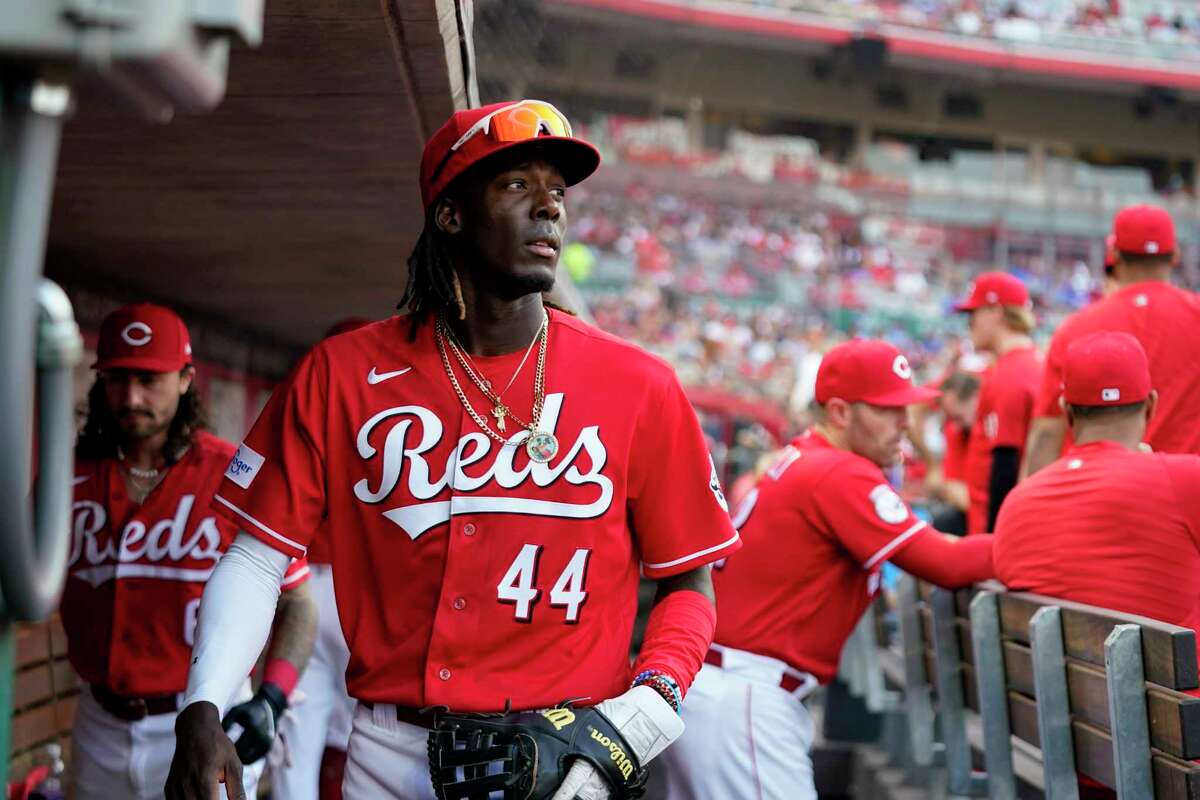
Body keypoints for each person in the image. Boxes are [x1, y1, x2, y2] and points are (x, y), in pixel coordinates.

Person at [165, 100, 741, 800]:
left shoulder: (639, 383)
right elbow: (257, 558)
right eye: (516, 185)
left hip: (565, 760)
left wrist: (646, 709)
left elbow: (689, 583)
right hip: (389, 752)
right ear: (450, 215)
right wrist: (203, 704)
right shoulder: (341, 373)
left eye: (557, 192)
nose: (548, 208)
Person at [660, 339, 995, 800]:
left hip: (721, 689)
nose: (905, 422)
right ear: (839, 412)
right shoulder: (839, 471)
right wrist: (1037, 542)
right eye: (888, 409)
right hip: (744, 699)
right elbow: (947, 564)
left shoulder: (806, 456)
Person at [65, 303, 316, 800]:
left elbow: (298, 602)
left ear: (184, 380)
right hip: (99, 724)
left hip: (205, 721)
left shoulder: (232, 473)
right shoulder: (68, 477)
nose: (131, 397)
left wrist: (272, 698)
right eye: (117, 379)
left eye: (148, 380)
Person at [996, 330, 1200, 664]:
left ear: (1067, 412)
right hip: (1174, 696)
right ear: (1151, 406)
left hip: (1058, 696)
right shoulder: (1187, 479)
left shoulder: (1016, 503)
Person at [270, 317, 372, 800]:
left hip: (303, 582)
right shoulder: (399, 419)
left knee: (297, 741)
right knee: (372, 739)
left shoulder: (308, 410)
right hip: (362, 592)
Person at [1023, 204, 1200, 477]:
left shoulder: (1076, 327)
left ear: (1115, 255)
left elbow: (1047, 432)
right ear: (1175, 255)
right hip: (1188, 492)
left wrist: (1032, 496)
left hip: (1097, 493)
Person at [955, 272, 1042, 533]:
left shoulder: (1010, 372)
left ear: (996, 312)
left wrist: (995, 540)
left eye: (973, 314)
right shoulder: (1032, 363)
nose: (969, 324)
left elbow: (1006, 464)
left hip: (999, 526)